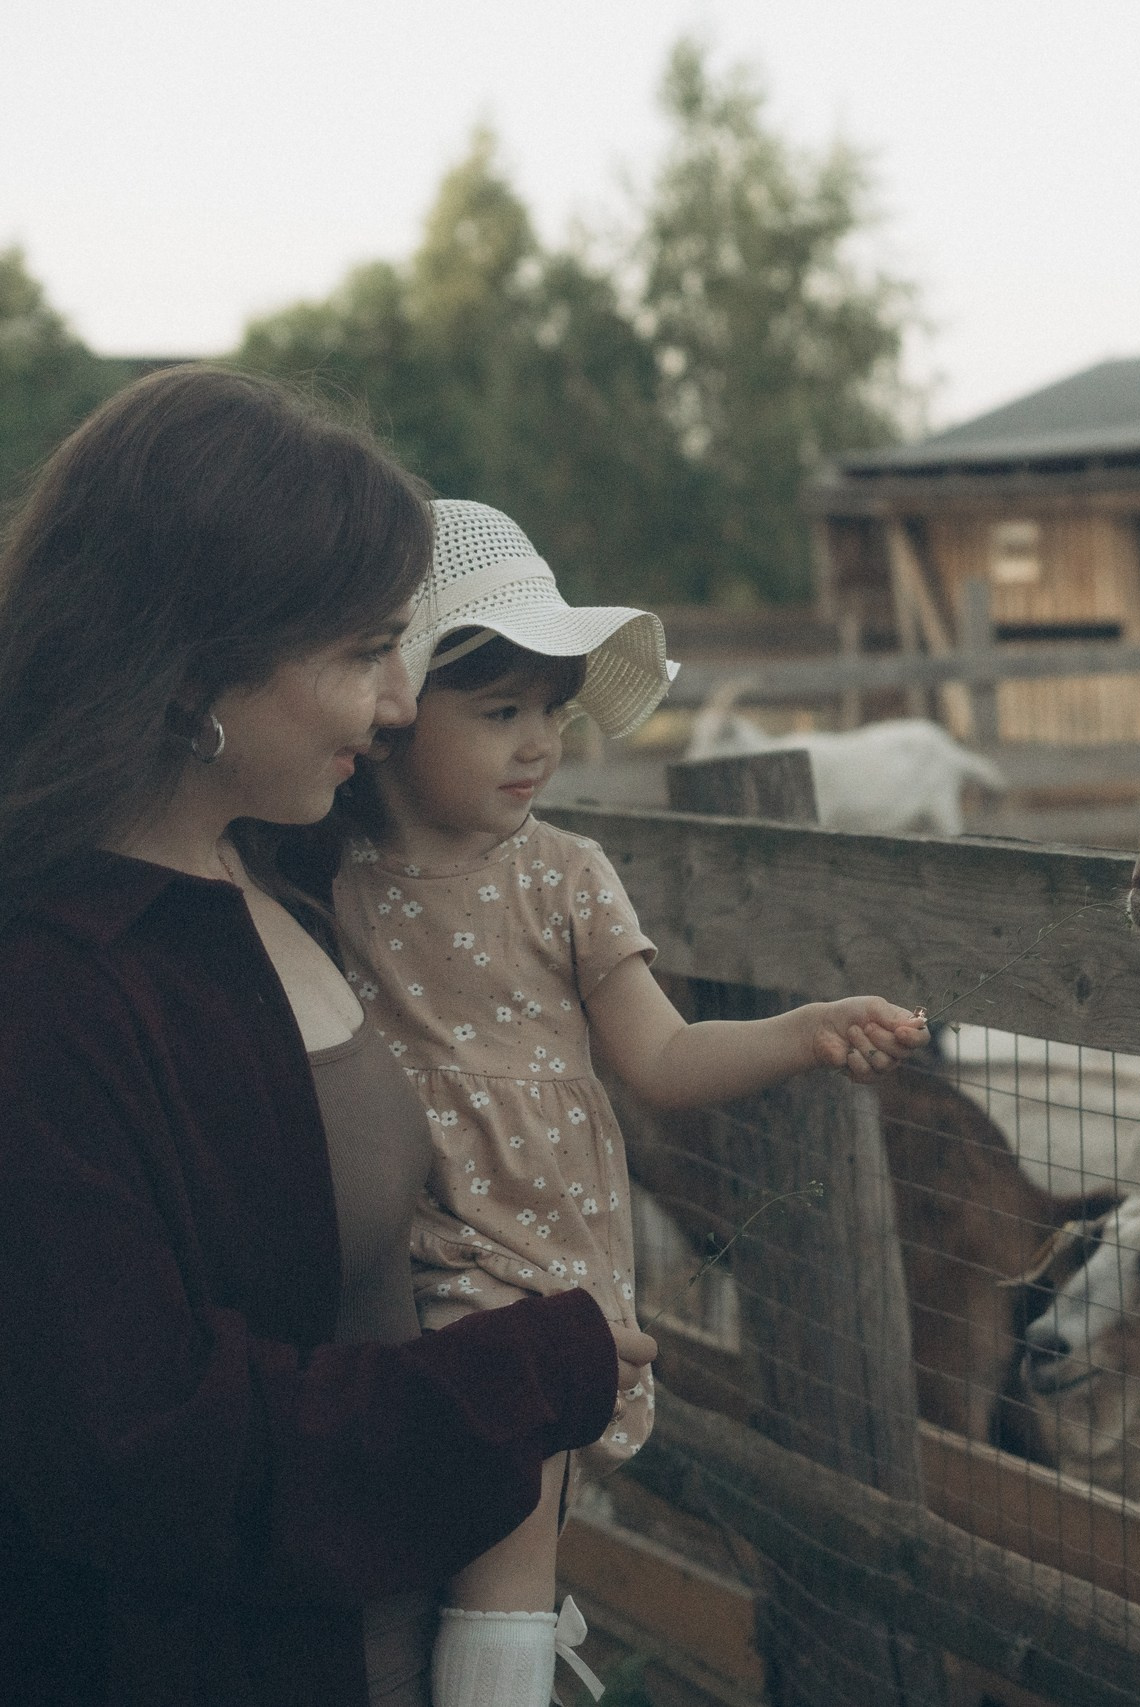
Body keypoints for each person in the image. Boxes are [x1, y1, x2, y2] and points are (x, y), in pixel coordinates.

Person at [0, 366, 648, 1707]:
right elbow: (149, 1448)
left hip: (387, 1627)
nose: (403, 704)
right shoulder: (56, 990)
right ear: (199, 664)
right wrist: (526, 1369)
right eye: (363, 653)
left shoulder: (281, 879)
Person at [328, 500, 927, 1707]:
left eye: (551, 710)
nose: (538, 742)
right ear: (395, 715)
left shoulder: (565, 877)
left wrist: (800, 1032)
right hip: (393, 1260)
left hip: (536, 1262)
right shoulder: (329, 876)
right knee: (426, 1546)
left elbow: (658, 1058)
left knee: (511, 1543)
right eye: (498, 712)